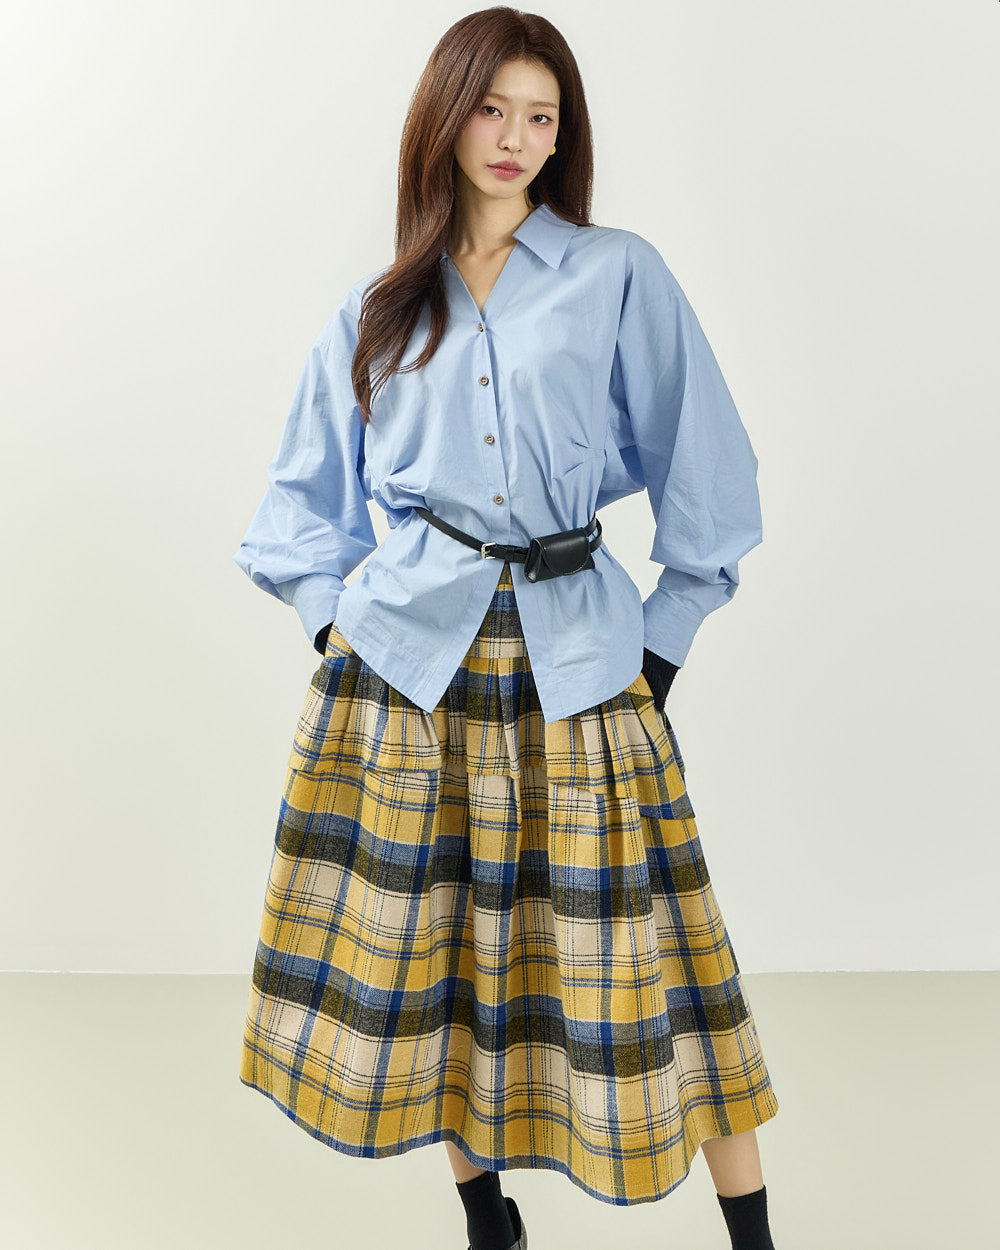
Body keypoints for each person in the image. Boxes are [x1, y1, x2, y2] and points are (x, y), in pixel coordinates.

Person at [232, 8, 780, 1250]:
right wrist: (336, 635)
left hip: (578, 660)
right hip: (405, 674)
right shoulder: (377, 307)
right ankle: (490, 1222)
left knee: (669, 966)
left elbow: (710, 470)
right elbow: (297, 512)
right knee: (444, 971)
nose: (516, 137)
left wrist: (661, 639)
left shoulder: (616, 272)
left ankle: (753, 1238)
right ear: (446, 116)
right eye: (492, 108)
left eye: (542, 115)